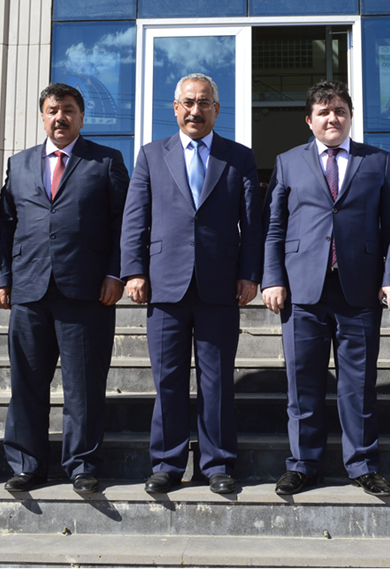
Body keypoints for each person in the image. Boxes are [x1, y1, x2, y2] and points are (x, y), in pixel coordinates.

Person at [262, 80, 390, 497]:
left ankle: (362, 464)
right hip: (302, 290)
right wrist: (272, 277)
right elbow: (274, 226)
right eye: (324, 112)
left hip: (359, 289)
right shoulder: (287, 162)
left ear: (350, 117)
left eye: (340, 111)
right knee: (302, 382)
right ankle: (302, 465)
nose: (332, 118)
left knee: (358, 384)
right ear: (309, 120)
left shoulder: (378, 161)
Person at [121, 73, 262, 495]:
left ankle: (217, 464)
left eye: (203, 103)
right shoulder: (151, 155)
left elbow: (252, 224)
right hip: (164, 284)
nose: (195, 110)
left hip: (220, 284)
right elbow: (135, 217)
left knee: (217, 381)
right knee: (168, 379)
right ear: (175, 108)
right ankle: (167, 464)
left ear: (217, 109)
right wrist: (134, 270)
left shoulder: (239, 157)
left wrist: (250, 273)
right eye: (187, 102)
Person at [0, 83, 129, 494]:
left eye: (68, 110)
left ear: (82, 117)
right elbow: (5, 226)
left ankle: (82, 465)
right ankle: (27, 465)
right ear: (42, 116)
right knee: (27, 384)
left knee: (83, 386)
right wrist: (2, 277)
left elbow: (124, 223)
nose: (60, 117)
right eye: (52, 110)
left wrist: (116, 274)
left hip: (87, 291)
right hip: (29, 289)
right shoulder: (19, 164)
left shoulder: (106, 161)